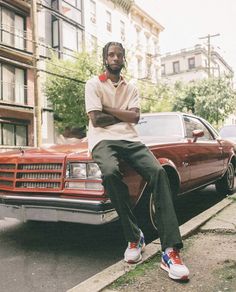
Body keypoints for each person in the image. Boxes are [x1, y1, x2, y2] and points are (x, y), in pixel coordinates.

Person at [85, 41, 189, 281]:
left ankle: (170, 250)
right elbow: (96, 120)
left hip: (131, 141)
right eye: (111, 54)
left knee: (158, 172)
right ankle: (134, 237)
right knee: (110, 172)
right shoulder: (93, 84)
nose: (115, 58)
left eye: (119, 55)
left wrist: (108, 110)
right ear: (104, 58)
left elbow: (135, 117)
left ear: (124, 59)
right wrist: (121, 114)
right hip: (103, 141)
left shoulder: (131, 87)